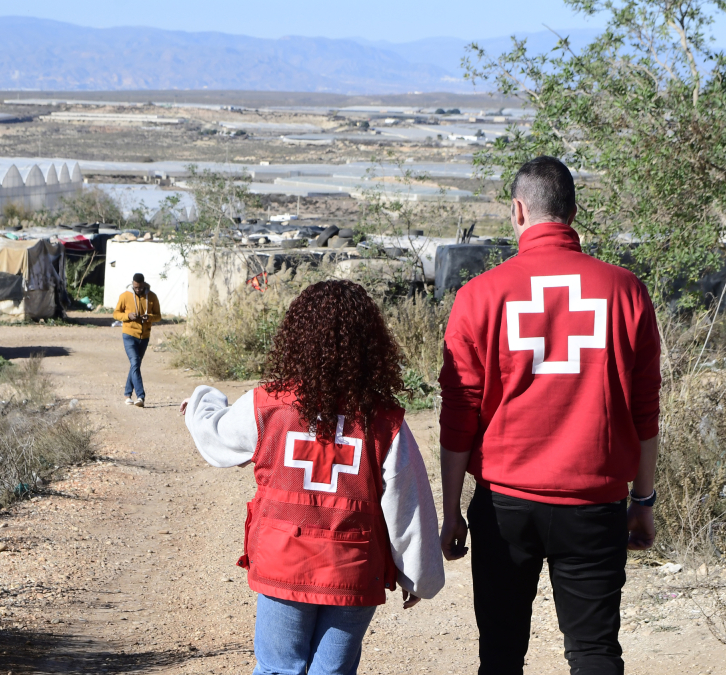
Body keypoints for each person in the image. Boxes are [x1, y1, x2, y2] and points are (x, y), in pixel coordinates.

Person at [438, 156, 661, 674]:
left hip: (504, 506)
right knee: (595, 654)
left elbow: (458, 416)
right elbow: (646, 411)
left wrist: (451, 512)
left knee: (500, 653)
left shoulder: (478, 296)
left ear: (518, 211)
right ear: (574, 211)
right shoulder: (625, 290)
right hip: (594, 504)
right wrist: (642, 500)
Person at [181, 280, 444, 675]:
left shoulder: (267, 406)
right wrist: (419, 578)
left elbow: (216, 437)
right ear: (369, 343)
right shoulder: (384, 421)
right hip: (352, 571)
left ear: (297, 335)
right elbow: (407, 507)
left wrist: (203, 401)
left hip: (283, 564)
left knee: (277, 669)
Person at [114, 273, 161, 407]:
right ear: (132, 284)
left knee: (135, 364)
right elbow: (116, 313)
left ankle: (127, 394)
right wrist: (128, 315)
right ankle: (140, 396)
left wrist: (150, 317)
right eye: (135, 287)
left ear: (144, 285)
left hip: (144, 337)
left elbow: (158, 316)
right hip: (129, 335)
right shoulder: (125, 296)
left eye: (140, 287)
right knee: (135, 361)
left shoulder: (152, 296)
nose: (138, 289)